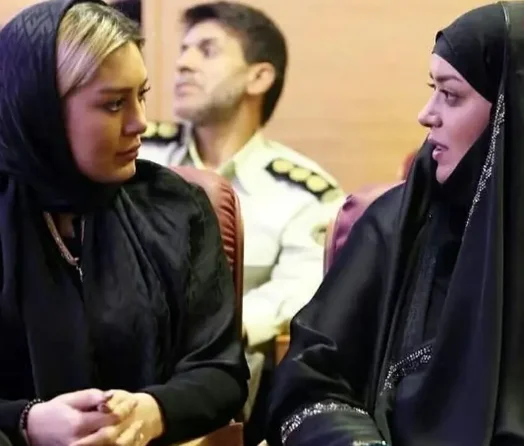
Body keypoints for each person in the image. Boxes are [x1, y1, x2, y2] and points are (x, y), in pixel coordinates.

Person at [266, 2, 524, 445]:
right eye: (432, 89)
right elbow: (309, 388)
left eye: (451, 95)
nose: (427, 114)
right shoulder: (395, 228)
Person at [0, 1, 249, 446]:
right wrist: (27, 422)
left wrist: (154, 411)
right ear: (42, 111)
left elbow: (221, 371)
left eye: (142, 96)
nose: (141, 123)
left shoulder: (177, 208)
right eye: (114, 104)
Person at [140, 1, 345, 349]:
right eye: (184, 49)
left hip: (230, 362)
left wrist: (208, 332)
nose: (183, 63)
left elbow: (298, 289)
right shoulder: (138, 156)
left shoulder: (304, 194)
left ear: (259, 77)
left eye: (207, 51)